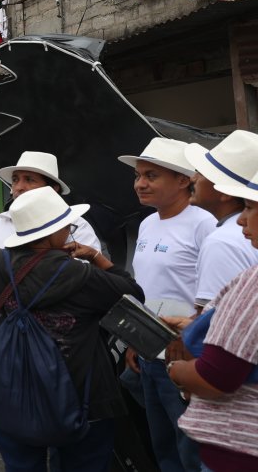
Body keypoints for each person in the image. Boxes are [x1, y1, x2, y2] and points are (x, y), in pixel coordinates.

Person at [0, 186, 144, 472]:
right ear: (52, 233)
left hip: (10, 390)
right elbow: (133, 294)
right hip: (82, 395)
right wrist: (97, 258)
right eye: (67, 226)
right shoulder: (81, 274)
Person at [117, 137, 216, 472]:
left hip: (184, 354)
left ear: (183, 180)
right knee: (162, 444)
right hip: (149, 351)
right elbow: (146, 288)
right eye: (138, 175)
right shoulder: (146, 223)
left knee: (191, 446)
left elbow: (216, 296)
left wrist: (189, 342)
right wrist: (135, 339)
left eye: (151, 175)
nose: (140, 184)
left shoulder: (205, 224)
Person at [165, 164, 258, 472]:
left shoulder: (251, 281)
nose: (242, 219)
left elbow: (216, 377)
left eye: (250, 207)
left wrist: (176, 370)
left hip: (241, 453)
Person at [0, 151, 102, 267]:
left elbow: (87, 277)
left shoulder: (76, 226)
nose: (19, 187)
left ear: (53, 188)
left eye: (29, 179)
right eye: (15, 179)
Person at [184, 130, 258, 308]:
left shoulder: (222, 241)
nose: (193, 178)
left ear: (225, 192)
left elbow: (216, 321)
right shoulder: (242, 233)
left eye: (200, 173)